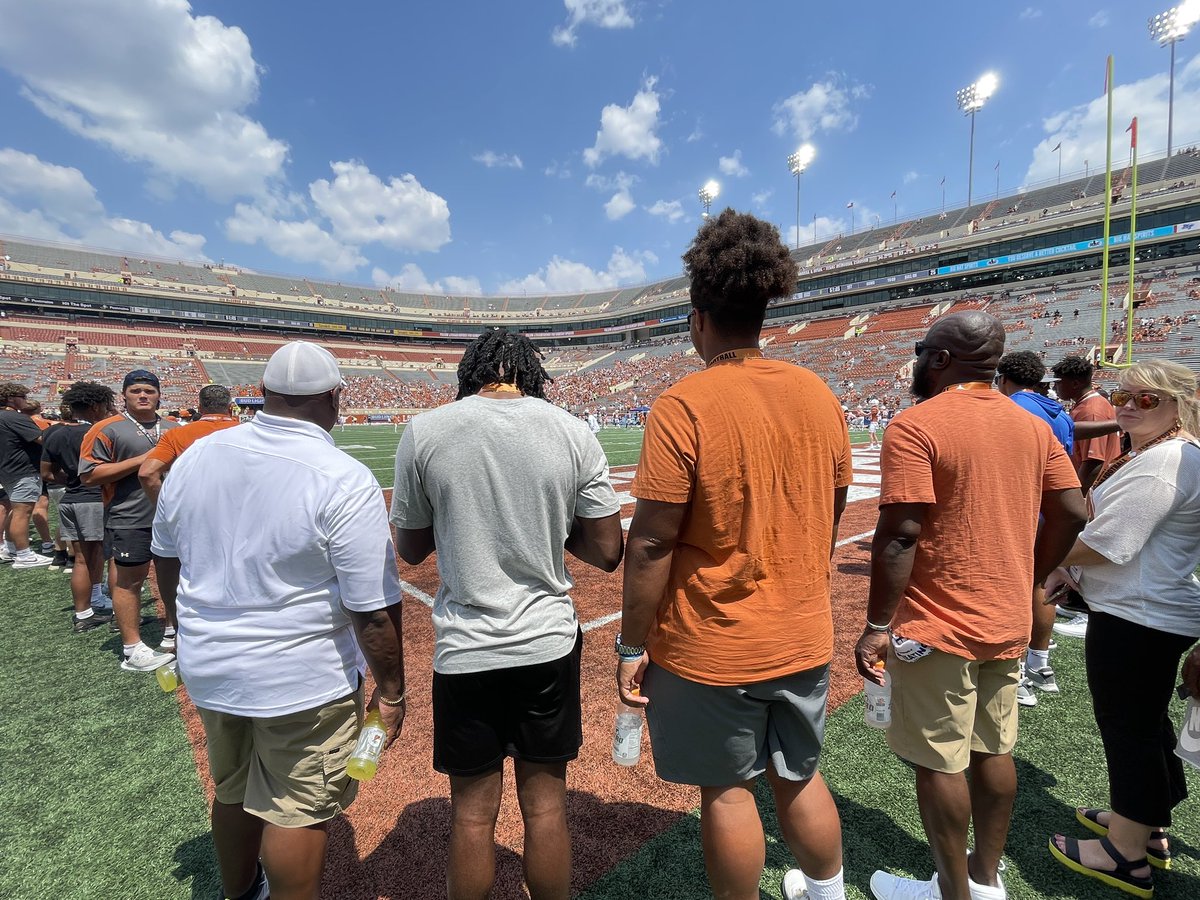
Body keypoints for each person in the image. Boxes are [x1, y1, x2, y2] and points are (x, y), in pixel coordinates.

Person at [618, 210, 851, 900]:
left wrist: (632, 644)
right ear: (764, 309)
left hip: (713, 643)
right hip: (804, 631)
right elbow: (830, 509)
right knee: (799, 776)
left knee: (725, 790)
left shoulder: (683, 403)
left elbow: (653, 540)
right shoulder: (818, 392)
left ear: (698, 317)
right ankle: (828, 890)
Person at [152, 341, 406, 900]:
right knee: (297, 811)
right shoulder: (341, 475)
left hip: (210, 664)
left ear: (263, 395)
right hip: (301, 675)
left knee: (232, 790)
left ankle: (240, 892)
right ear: (336, 398)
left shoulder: (196, 455)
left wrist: (181, 626)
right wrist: (392, 691)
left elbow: (165, 556)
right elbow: (371, 606)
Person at [857, 311, 1086, 900]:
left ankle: (952, 892)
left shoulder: (917, 425)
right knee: (994, 748)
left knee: (939, 761)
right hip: (1004, 615)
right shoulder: (1031, 425)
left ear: (937, 358)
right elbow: (1072, 510)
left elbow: (902, 534)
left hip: (936, 620)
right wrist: (1029, 573)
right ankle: (985, 881)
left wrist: (877, 624)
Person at [390, 329, 623, 900]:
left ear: (471, 372)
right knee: (546, 808)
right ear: (531, 373)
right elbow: (608, 550)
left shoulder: (426, 430)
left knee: (472, 817)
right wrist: (541, 526)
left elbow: (411, 548)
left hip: (467, 646)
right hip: (546, 639)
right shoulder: (571, 430)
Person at [1045, 359, 1200, 899]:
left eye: (1146, 398)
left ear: (1179, 403)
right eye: (1122, 394)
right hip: (1145, 609)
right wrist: (1072, 568)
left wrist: (1045, 559)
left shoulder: (1166, 463)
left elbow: (1112, 543)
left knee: (1128, 729)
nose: (1128, 405)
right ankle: (1145, 821)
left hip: (1140, 616)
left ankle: (1125, 854)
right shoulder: (1168, 455)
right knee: (1145, 723)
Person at [79, 369, 180, 670]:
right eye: (136, 391)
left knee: (175, 577)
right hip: (129, 516)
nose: (143, 396)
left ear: (159, 394)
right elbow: (88, 475)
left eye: (149, 391)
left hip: (173, 517)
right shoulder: (107, 428)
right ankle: (132, 648)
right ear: (124, 394)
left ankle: (174, 630)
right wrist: (143, 461)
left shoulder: (173, 426)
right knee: (129, 581)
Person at [995, 351, 1074, 708]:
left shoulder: (1013, 410)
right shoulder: (1060, 414)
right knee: (1041, 585)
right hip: (1051, 513)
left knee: (1013, 588)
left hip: (1020, 513)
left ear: (1004, 378)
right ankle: (1040, 664)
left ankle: (1018, 674)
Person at [1050, 355, 1123, 641]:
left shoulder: (1091, 409)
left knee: (1084, 546)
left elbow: (1092, 460)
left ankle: (1085, 610)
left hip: (1093, 488)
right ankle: (1076, 600)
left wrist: (1076, 497)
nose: (1057, 387)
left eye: (1060, 381)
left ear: (1076, 381)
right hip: (1097, 487)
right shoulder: (1091, 405)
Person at [41, 382, 117, 632]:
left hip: (70, 498)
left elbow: (47, 473)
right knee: (109, 556)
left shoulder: (55, 432)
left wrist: (73, 479)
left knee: (82, 559)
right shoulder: (97, 431)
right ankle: (107, 606)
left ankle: (85, 611)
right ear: (97, 406)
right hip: (93, 498)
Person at [138, 384, 239, 504]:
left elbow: (147, 473)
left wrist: (165, 508)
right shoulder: (250, 432)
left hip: (192, 509)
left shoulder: (176, 434)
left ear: (199, 408)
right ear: (230, 407)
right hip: (238, 507)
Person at [0, 381, 53, 569]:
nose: (26, 401)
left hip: (7, 469)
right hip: (23, 469)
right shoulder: (15, 417)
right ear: (11, 398)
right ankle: (24, 555)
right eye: (22, 397)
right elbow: (42, 439)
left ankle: (11, 548)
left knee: (15, 511)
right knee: (23, 512)